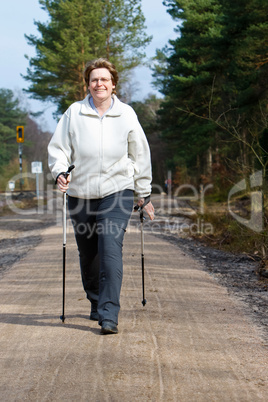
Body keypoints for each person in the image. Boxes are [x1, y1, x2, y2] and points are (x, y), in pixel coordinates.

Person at [48, 58, 154, 335]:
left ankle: (109, 313)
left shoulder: (127, 114)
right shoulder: (75, 112)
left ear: (113, 83)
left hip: (117, 191)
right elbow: (59, 148)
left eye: (104, 79)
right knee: (89, 252)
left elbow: (139, 154)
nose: (99, 84)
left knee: (109, 248)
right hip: (80, 193)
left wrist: (143, 193)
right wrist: (60, 171)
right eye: (94, 79)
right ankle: (95, 301)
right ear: (88, 84)